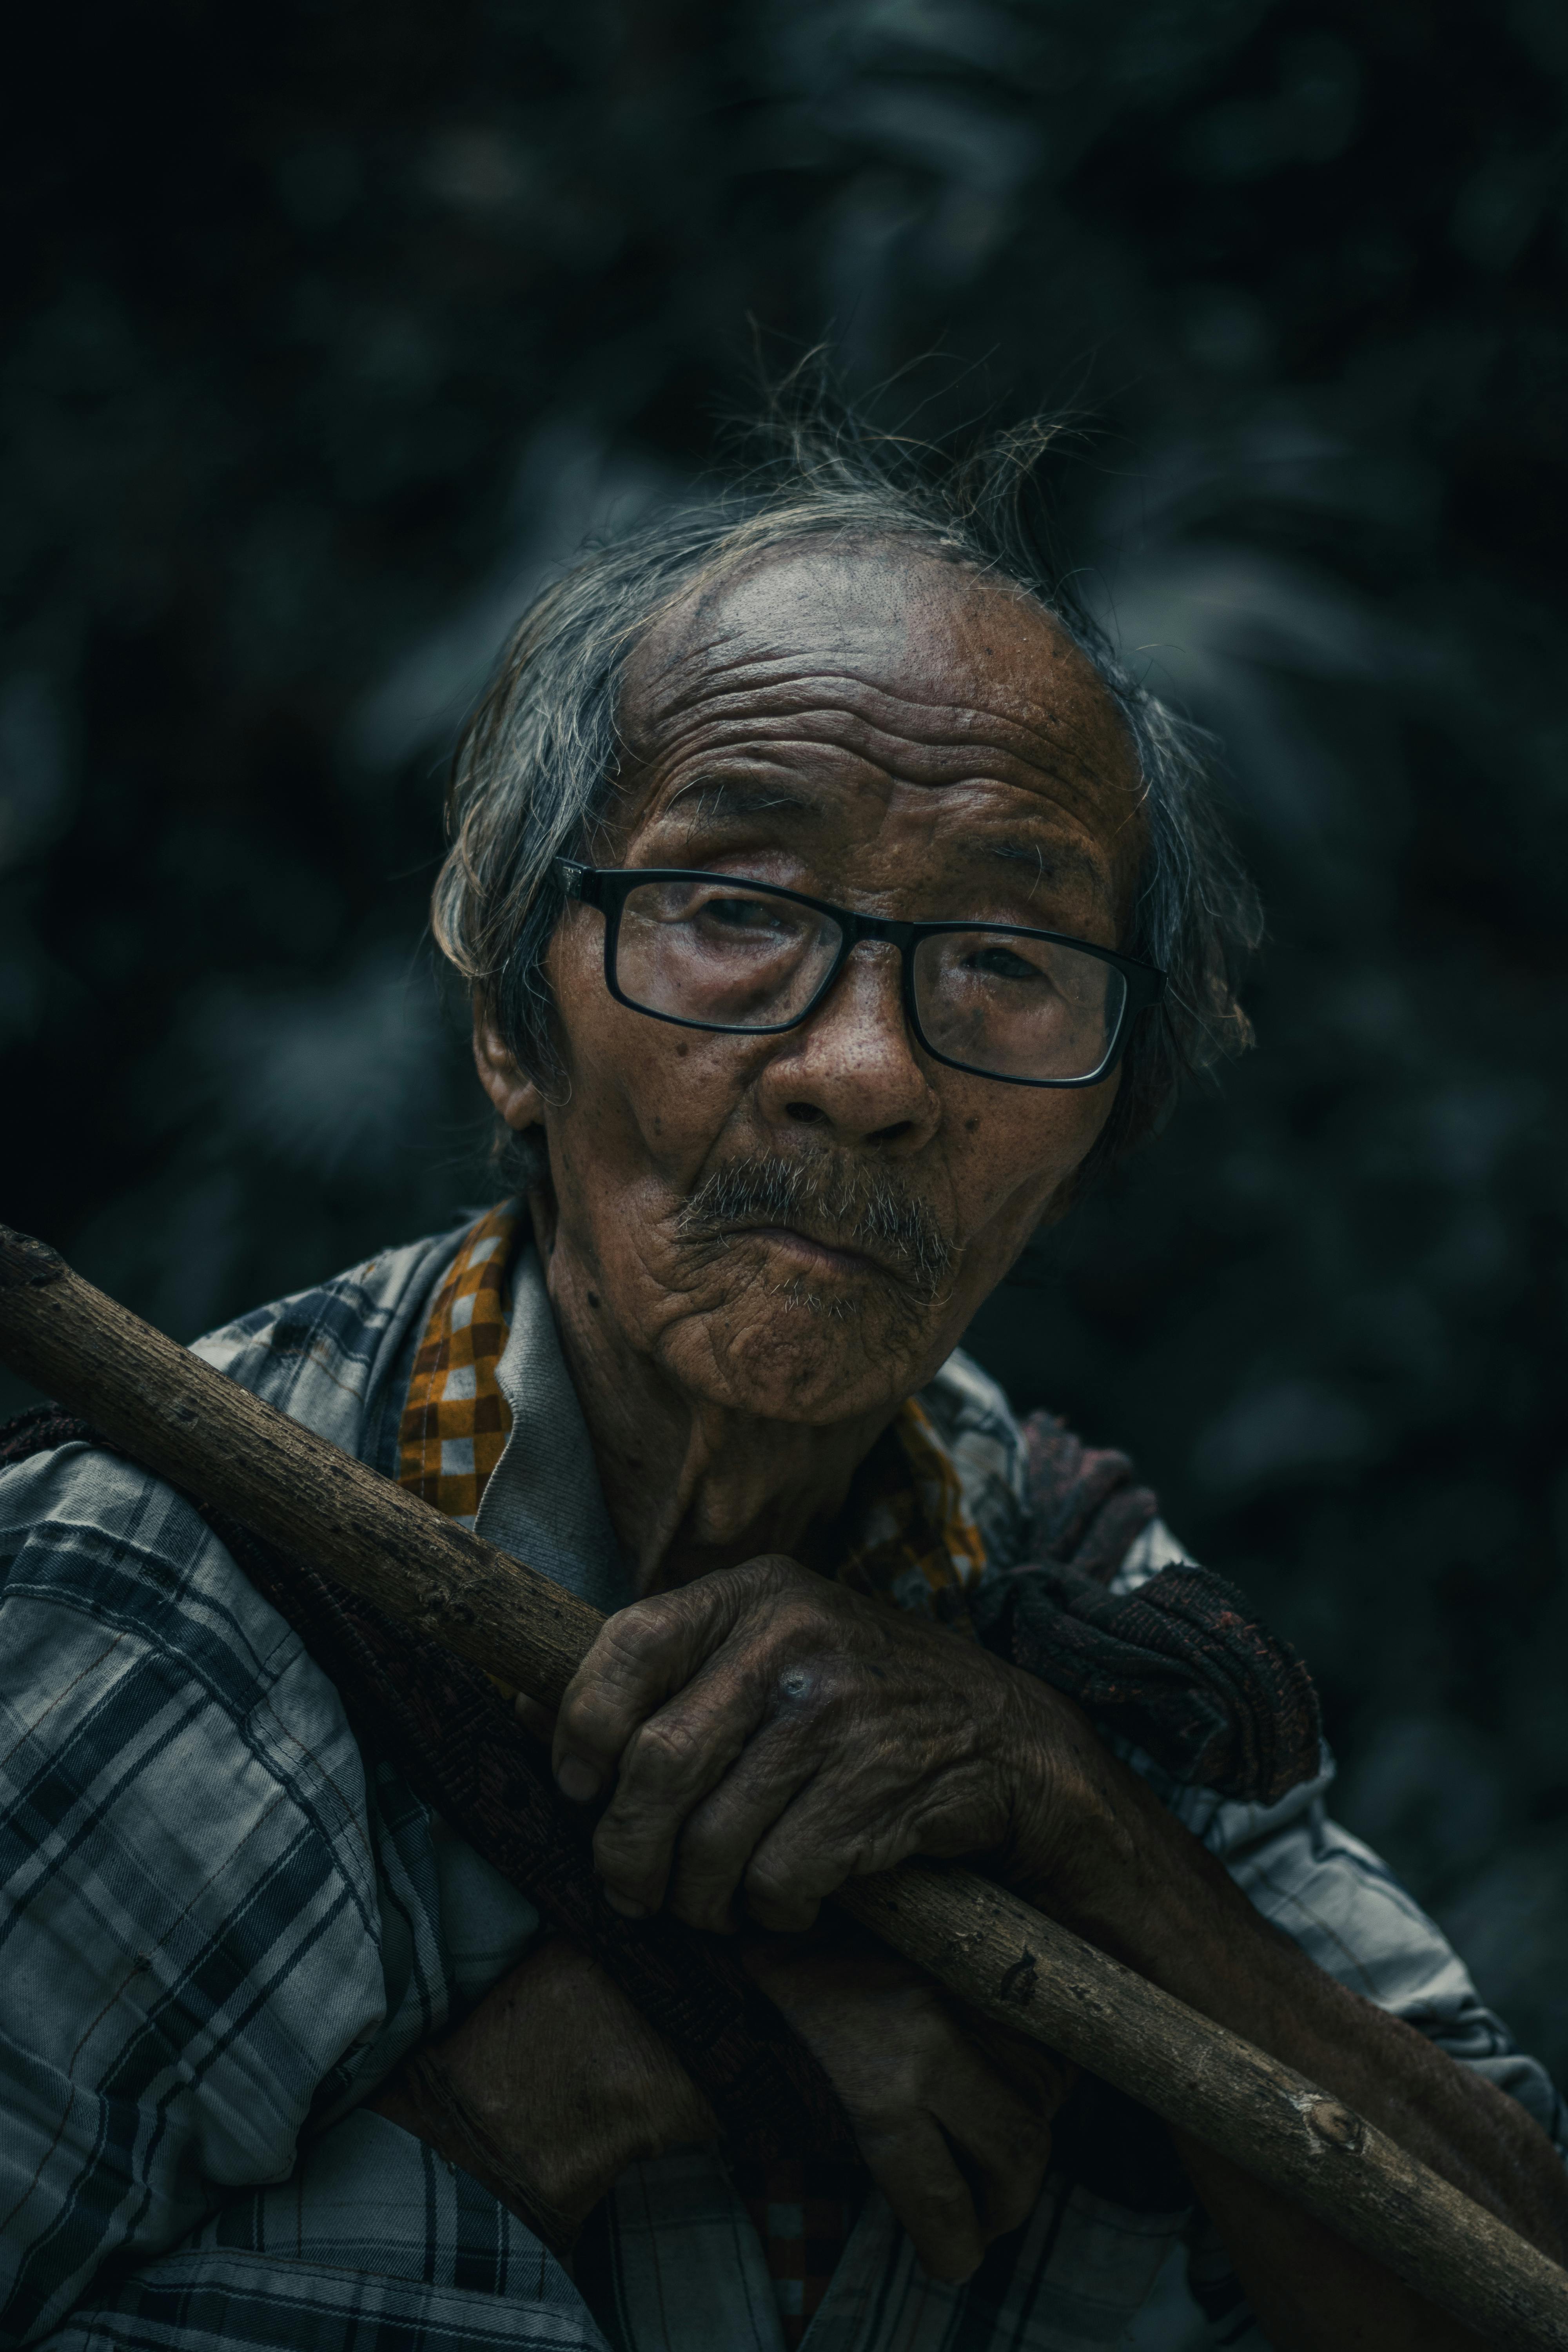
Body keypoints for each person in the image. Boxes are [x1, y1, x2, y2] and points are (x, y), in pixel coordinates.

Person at [2, 427, 1564, 2352]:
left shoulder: (1060, 1596)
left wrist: (1068, 1813)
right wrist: (606, 2060)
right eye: (734, 910)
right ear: (513, 1018)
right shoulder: (152, 1623)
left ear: (1097, 1122)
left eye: (1003, 957)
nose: (866, 1069)